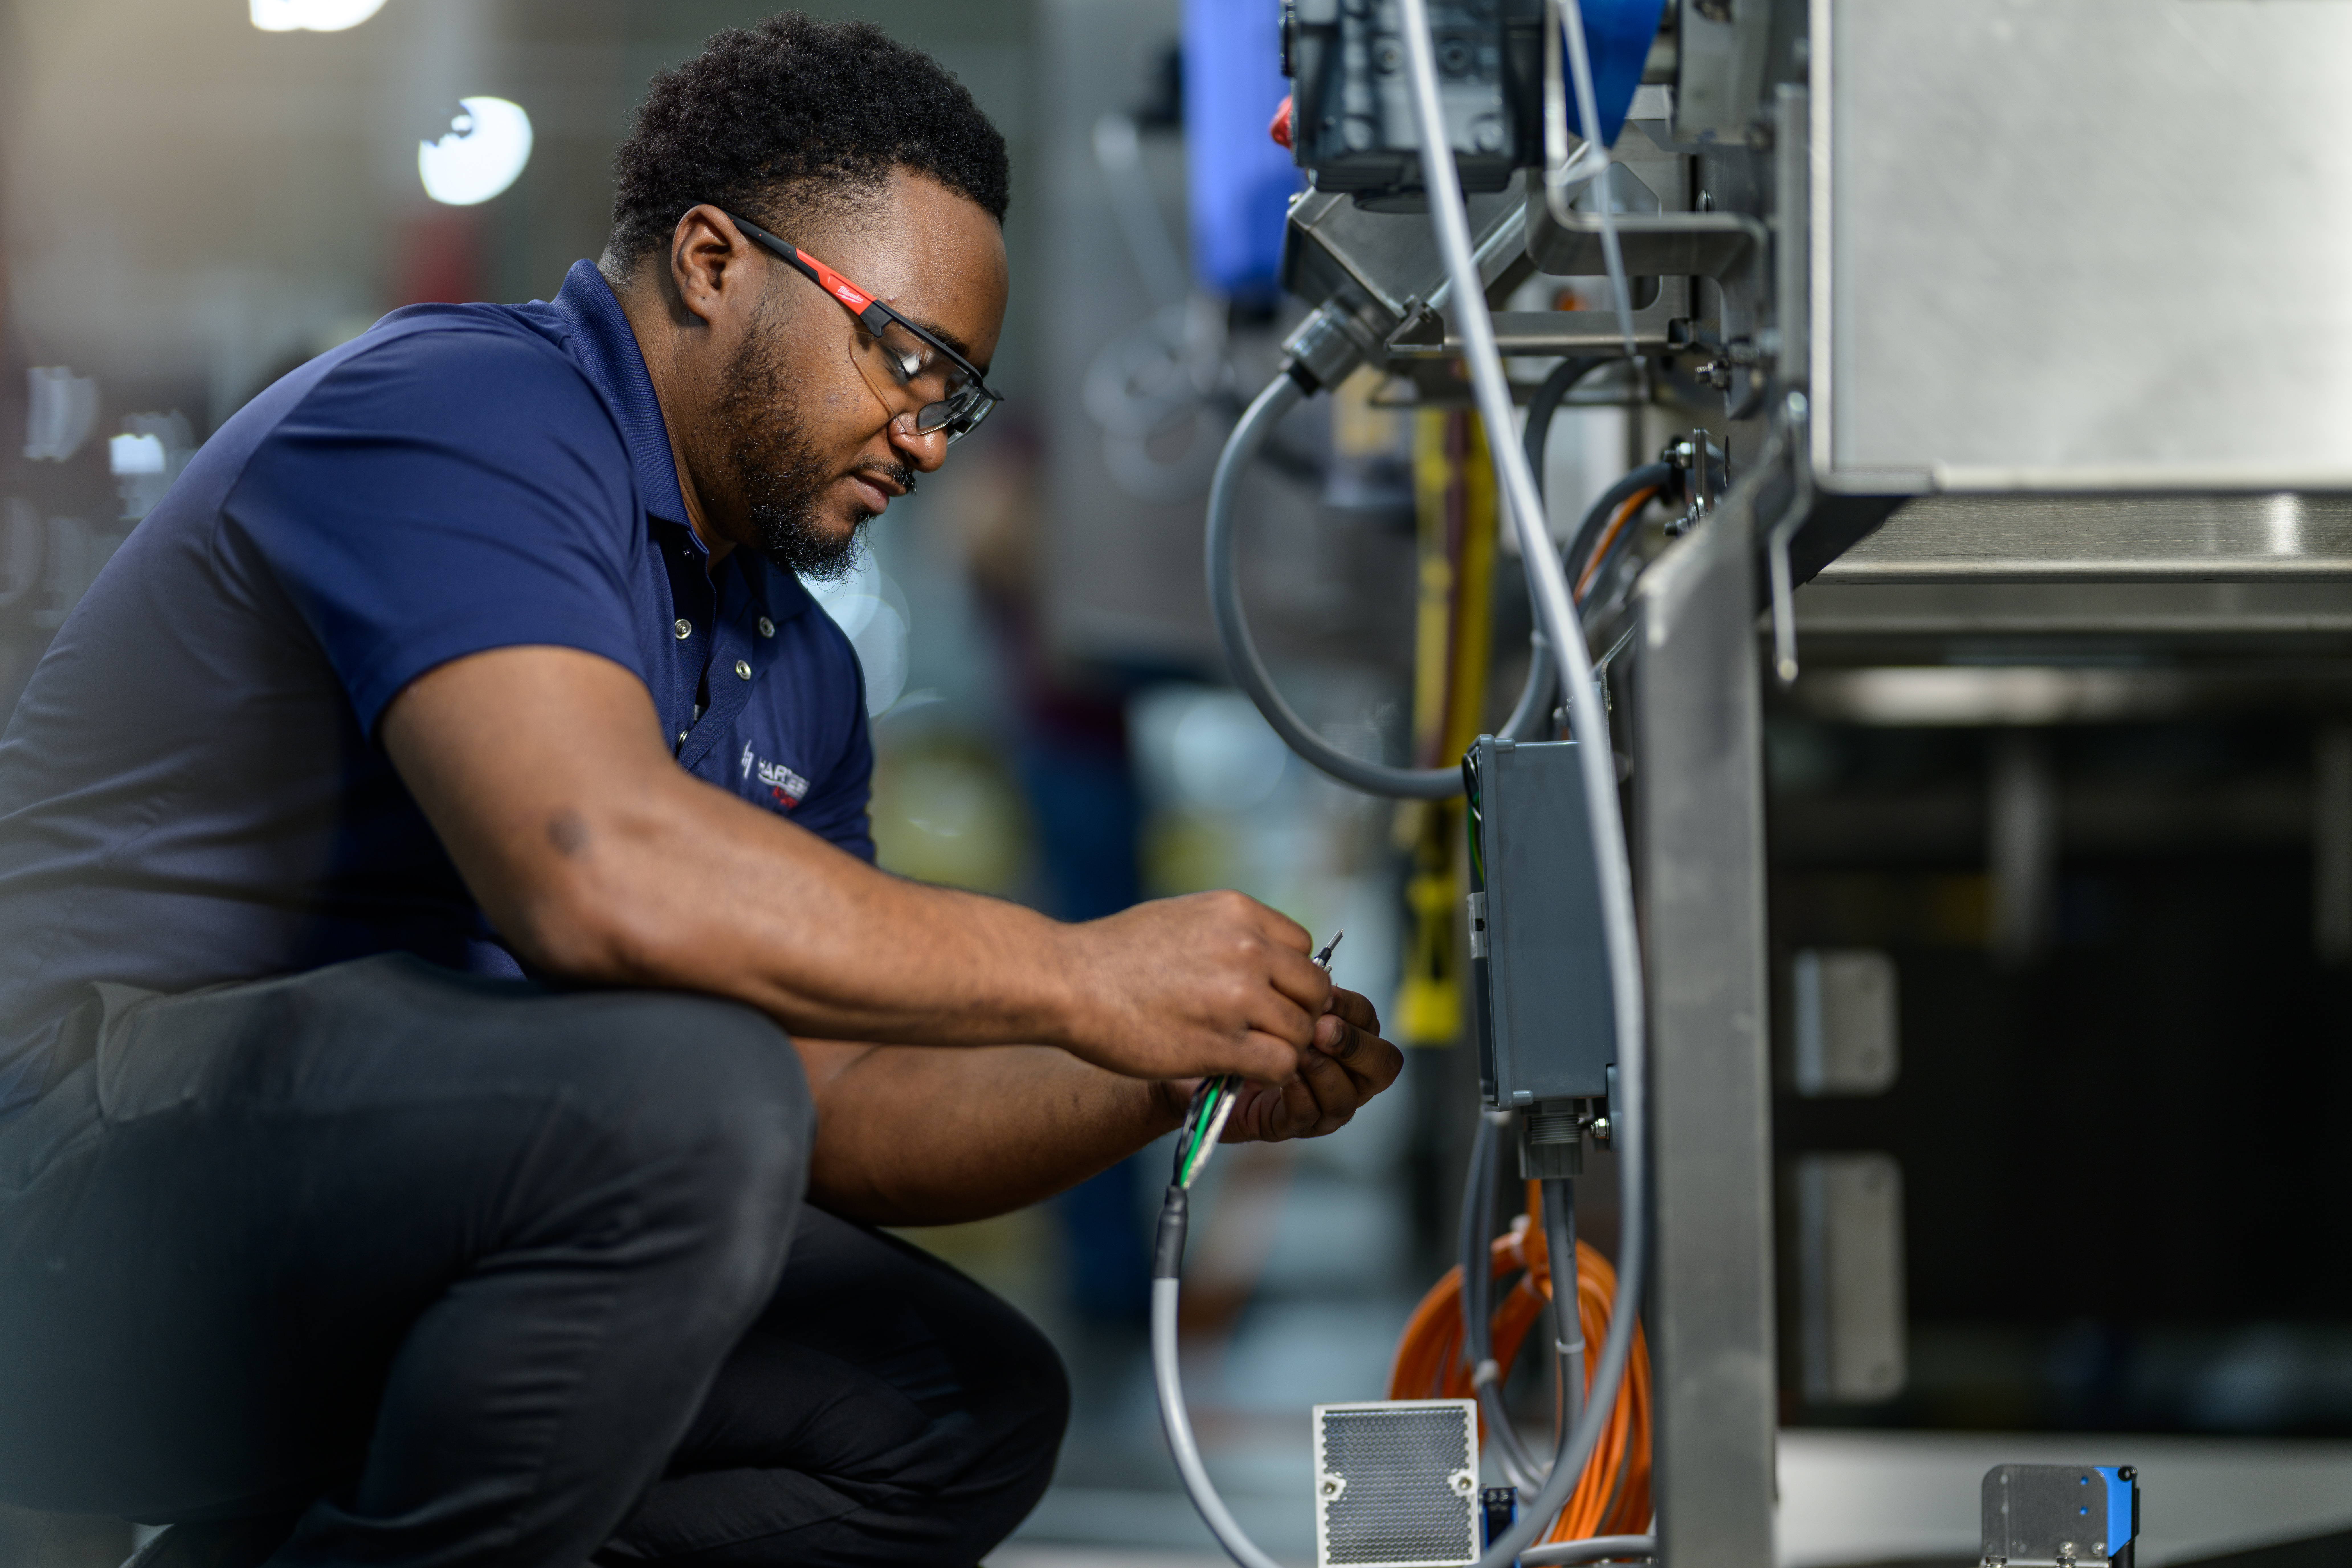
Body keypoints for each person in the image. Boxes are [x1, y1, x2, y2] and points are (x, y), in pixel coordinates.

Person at [0, 15, 1403, 1568]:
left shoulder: (793, 664)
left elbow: (832, 1107)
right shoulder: (465, 412)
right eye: (905, 355)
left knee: (955, 1406)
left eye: (961, 396)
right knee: (682, 1098)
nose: (930, 437)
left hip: (376, 1224)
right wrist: (1083, 972)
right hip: (66, 1177)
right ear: (715, 262)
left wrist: (1163, 1062)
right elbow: (592, 870)